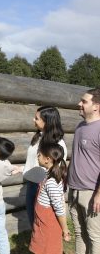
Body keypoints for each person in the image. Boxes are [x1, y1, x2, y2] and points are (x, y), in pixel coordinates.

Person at [23, 106, 67, 227]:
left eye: (37, 118)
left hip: (44, 187)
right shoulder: (38, 137)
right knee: (33, 221)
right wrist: (22, 169)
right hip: (32, 183)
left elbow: (56, 168)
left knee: (41, 223)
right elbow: (34, 162)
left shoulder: (58, 143)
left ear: (47, 122)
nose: (33, 120)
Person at [68, 88, 100, 254]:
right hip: (73, 189)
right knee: (79, 233)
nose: (79, 104)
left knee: (95, 237)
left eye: (84, 101)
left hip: (91, 193)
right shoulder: (80, 126)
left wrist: (99, 195)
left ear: (96, 106)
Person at [29, 143, 71, 254]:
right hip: (41, 226)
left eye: (39, 155)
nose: (37, 157)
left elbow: (59, 208)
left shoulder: (51, 182)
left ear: (47, 159)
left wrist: (65, 230)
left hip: (48, 230)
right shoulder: (47, 175)